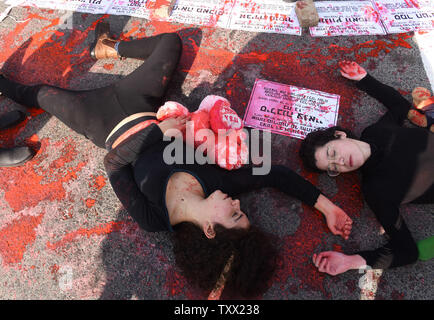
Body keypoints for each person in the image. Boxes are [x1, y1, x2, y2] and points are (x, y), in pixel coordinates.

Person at [0, 22, 352, 297]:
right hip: (140, 103)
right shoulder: (221, 185)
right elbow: (275, 174)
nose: (236, 202)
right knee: (171, 42)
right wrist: (327, 207)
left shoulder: (154, 218)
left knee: (42, 94)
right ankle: (108, 47)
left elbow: (114, 164)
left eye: (234, 213)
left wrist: (160, 133)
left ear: (209, 231)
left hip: (102, 122)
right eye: (241, 209)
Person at [299, 60, 434, 276]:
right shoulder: (375, 190)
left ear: (339, 135)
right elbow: (407, 251)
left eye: (333, 153)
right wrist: (351, 261)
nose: (340, 163)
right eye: (333, 167)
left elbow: (399, 107)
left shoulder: (375, 132)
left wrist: (364, 79)